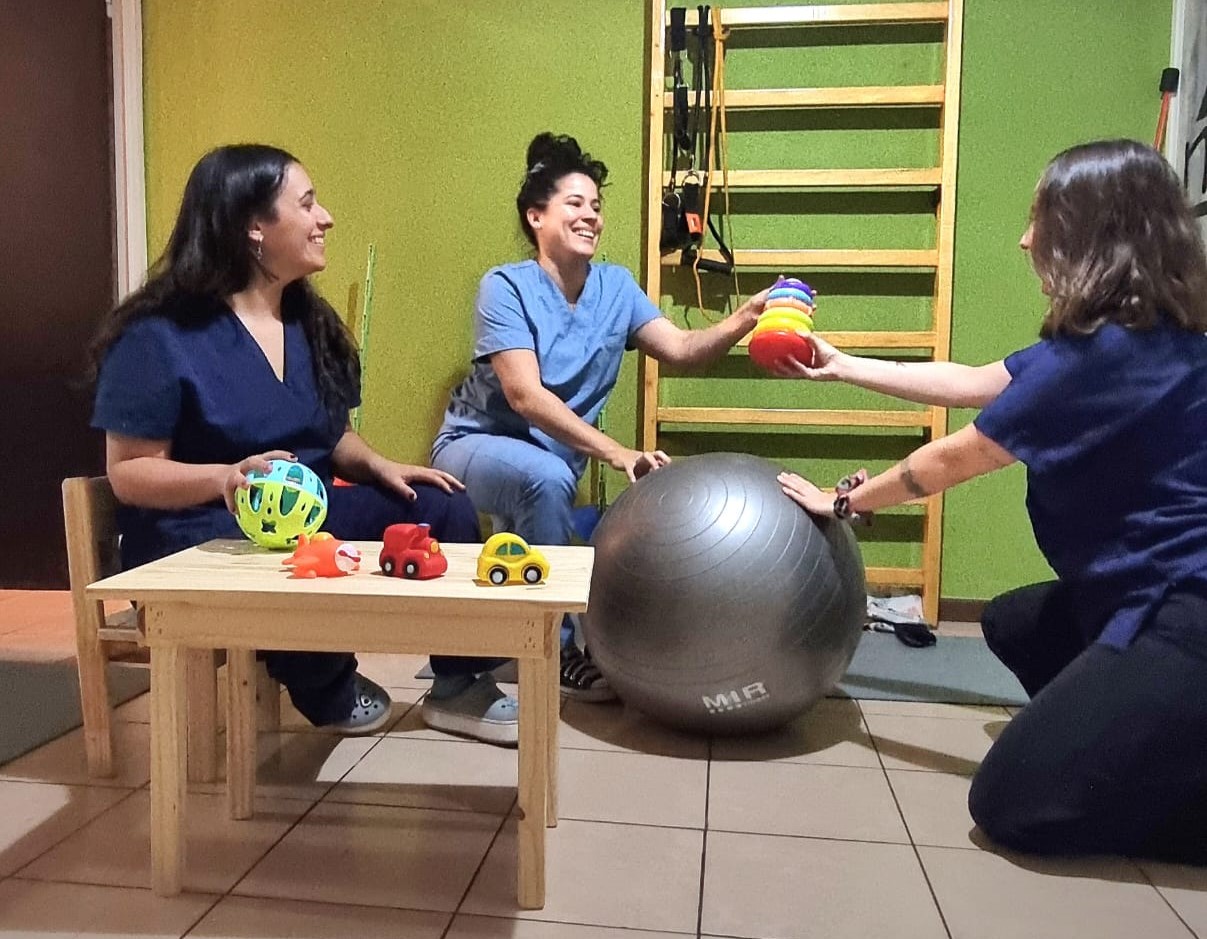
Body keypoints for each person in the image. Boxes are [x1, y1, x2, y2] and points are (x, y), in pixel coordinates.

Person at [776, 139, 1207, 863]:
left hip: (1183, 614)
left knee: (1007, 803)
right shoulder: (1136, 341)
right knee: (1016, 622)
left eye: (1041, 217)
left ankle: (1151, 782)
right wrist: (842, 366)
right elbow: (973, 380)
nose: (1024, 237)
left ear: (1091, 235)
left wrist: (841, 503)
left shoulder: (1097, 359)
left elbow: (953, 458)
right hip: (1147, 596)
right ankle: (1136, 744)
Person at [90, 144, 518, 745]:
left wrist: (376, 464)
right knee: (292, 552)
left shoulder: (306, 323)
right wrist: (225, 478)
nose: (327, 219)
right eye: (309, 204)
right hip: (200, 529)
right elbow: (130, 472)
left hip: (303, 512)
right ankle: (325, 681)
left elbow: (330, 434)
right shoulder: (158, 336)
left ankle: (459, 684)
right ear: (254, 228)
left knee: (440, 507)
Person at [431, 132, 773, 700]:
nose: (590, 215)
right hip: (474, 443)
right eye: (574, 203)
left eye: (596, 205)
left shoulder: (615, 287)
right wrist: (617, 451)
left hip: (552, 460)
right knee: (544, 479)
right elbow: (525, 398)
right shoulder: (505, 286)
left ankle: (525, 641)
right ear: (535, 216)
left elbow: (683, 350)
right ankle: (561, 650)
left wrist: (743, 319)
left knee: (547, 484)